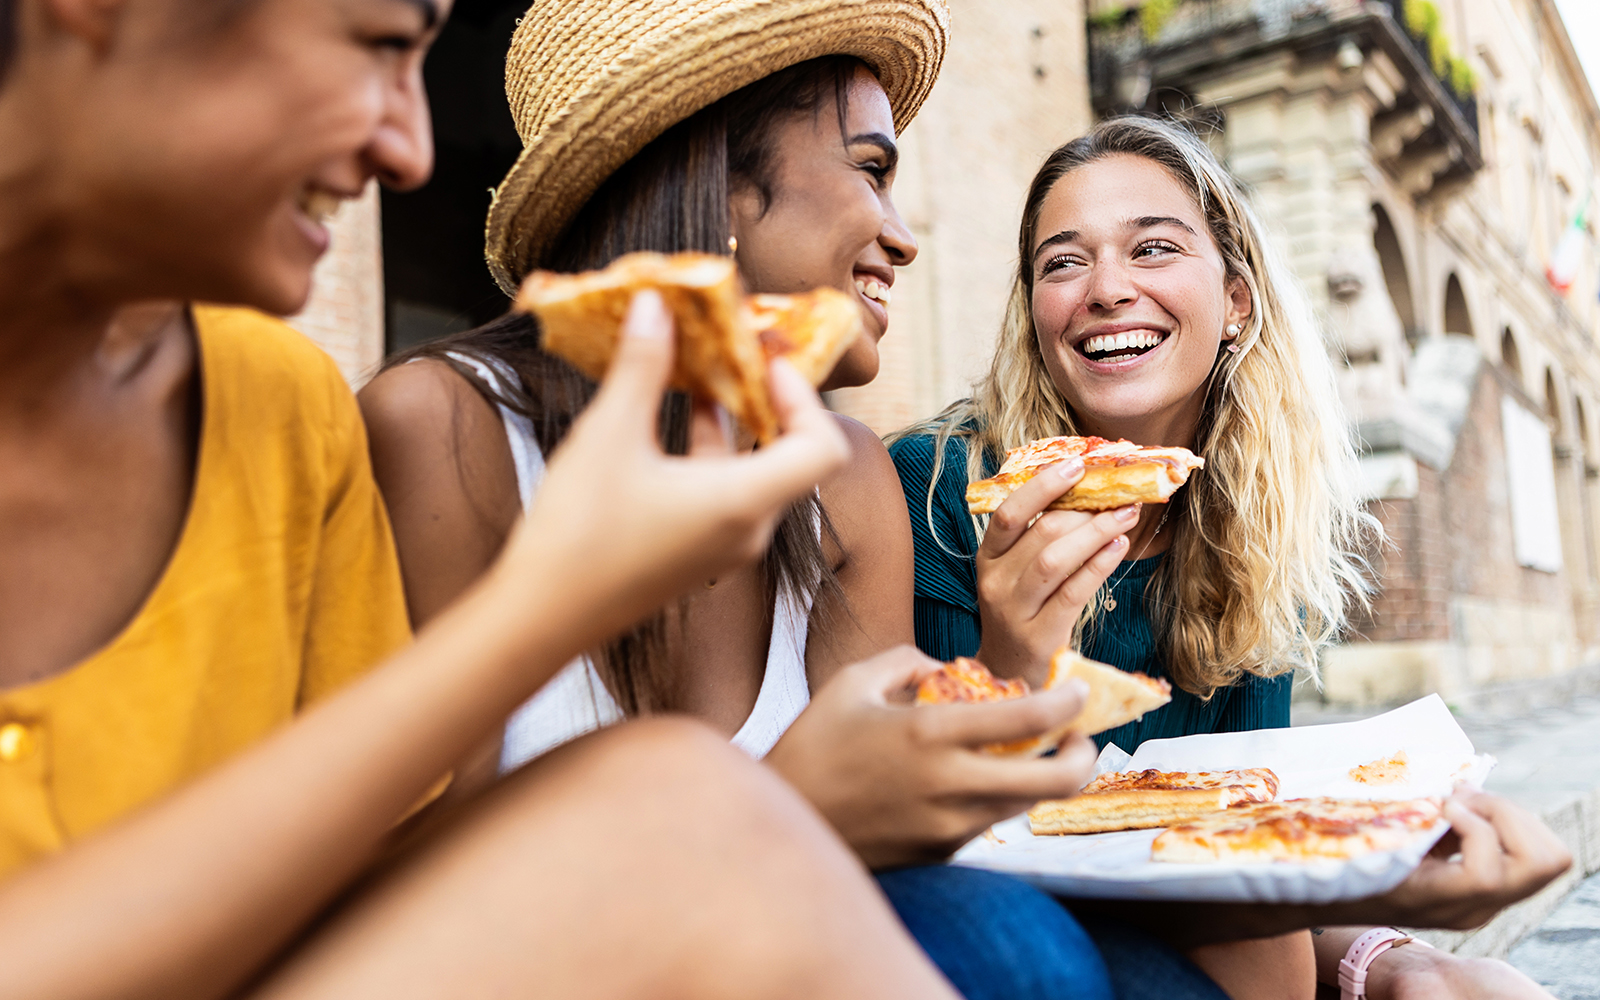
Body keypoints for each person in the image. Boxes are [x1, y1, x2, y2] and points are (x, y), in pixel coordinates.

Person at [0, 0, 970, 996]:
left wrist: (1019, 657)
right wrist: (555, 608)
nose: (411, 153)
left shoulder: (284, 412)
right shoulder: (424, 429)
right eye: (379, 43)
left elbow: (381, 893)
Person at [360, 3, 1233, 998]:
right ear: (719, 183)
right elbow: (422, 915)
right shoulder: (444, 428)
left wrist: (1012, 660)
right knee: (1013, 950)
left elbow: (890, 854)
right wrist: (785, 803)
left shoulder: (844, 477)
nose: (902, 238)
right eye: (872, 170)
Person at [888, 115, 1572, 999]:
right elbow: (903, 833)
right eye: (1063, 262)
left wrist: (1400, 962)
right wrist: (1014, 663)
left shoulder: (1243, 528)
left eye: (1154, 249)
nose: (1105, 289)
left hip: (1198, 930)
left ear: (1236, 301)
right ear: (1035, 314)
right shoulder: (940, 490)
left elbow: (1241, 853)